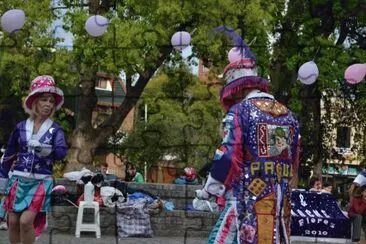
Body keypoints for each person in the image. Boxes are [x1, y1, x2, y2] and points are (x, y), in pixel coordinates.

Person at [195, 36, 300, 243]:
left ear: (238, 87)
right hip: (280, 203)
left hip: (246, 199)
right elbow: (294, 161)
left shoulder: (240, 112)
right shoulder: (290, 115)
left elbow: (228, 156)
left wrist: (210, 189)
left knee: (223, 237)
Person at [0, 75, 68, 244]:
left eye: (51, 101)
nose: (48, 104)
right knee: (13, 221)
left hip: (40, 183)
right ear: (35, 101)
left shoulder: (55, 130)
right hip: (17, 180)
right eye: (44, 99)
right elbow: (8, 155)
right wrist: (2, 183)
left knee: (25, 221)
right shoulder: (21, 127)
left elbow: (61, 153)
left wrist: (44, 149)